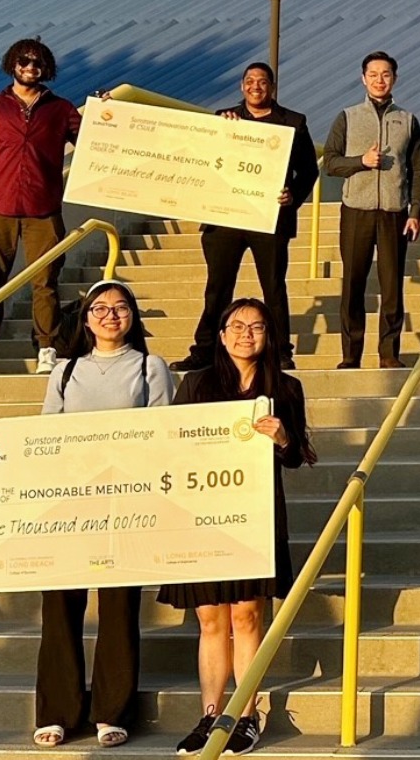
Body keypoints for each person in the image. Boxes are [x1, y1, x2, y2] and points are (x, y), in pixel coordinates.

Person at [0, 279, 172, 748]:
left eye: (120, 307)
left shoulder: (152, 367)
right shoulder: (65, 373)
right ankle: (58, 710)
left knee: (118, 607)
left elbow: (163, 434)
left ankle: (111, 711)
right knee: (60, 605)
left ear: (133, 315)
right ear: (86, 320)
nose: (111, 315)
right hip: (68, 503)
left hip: (124, 503)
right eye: (100, 307)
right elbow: (41, 443)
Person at [161, 297, 315, 756]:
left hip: (256, 514)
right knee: (210, 620)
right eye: (238, 325)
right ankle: (211, 715)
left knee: (246, 616)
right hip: (202, 514)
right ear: (222, 333)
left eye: (258, 326)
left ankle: (244, 716)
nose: (247, 333)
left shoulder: (285, 387)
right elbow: (173, 444)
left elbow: (294, 456)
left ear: (269, 336)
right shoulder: (196, 384)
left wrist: (282, 436)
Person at [174, 62, 318, 373]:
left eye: (262, 81)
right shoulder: (225, 119)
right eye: (249, 81)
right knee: (217, 288)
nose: (256, 86)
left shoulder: (293, 122)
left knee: (274, 288)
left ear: (272, 88)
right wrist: (221, 131)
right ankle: (205, 349)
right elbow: (204, 160)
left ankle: (280, 352)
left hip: (269, 218)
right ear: (242, 87)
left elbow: (309, 171)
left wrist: (292, 195)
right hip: (225, 218)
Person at [0, 37, 82, 374]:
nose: (30, 67)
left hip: (44, 208)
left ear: (46, 69)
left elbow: (93, 142)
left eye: (37, 63)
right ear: (12, 63)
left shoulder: (61, 109)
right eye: (24, 61)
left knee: (45, 281)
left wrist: (106, 113)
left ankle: (47, 348)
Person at [320, 52, 420, 370]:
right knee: (353, 283)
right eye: (374, 74)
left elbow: (418, 170)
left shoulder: (408, 120)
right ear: (363, 78)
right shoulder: (347, 116)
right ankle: (350, 355)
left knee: (392, 286)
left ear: (395, 78)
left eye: (386, 74)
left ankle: (388, 353)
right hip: (357, 209)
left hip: (394, 211)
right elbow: (330, 161)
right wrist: (360, 162)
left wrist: (415, 211)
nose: (380, 80)